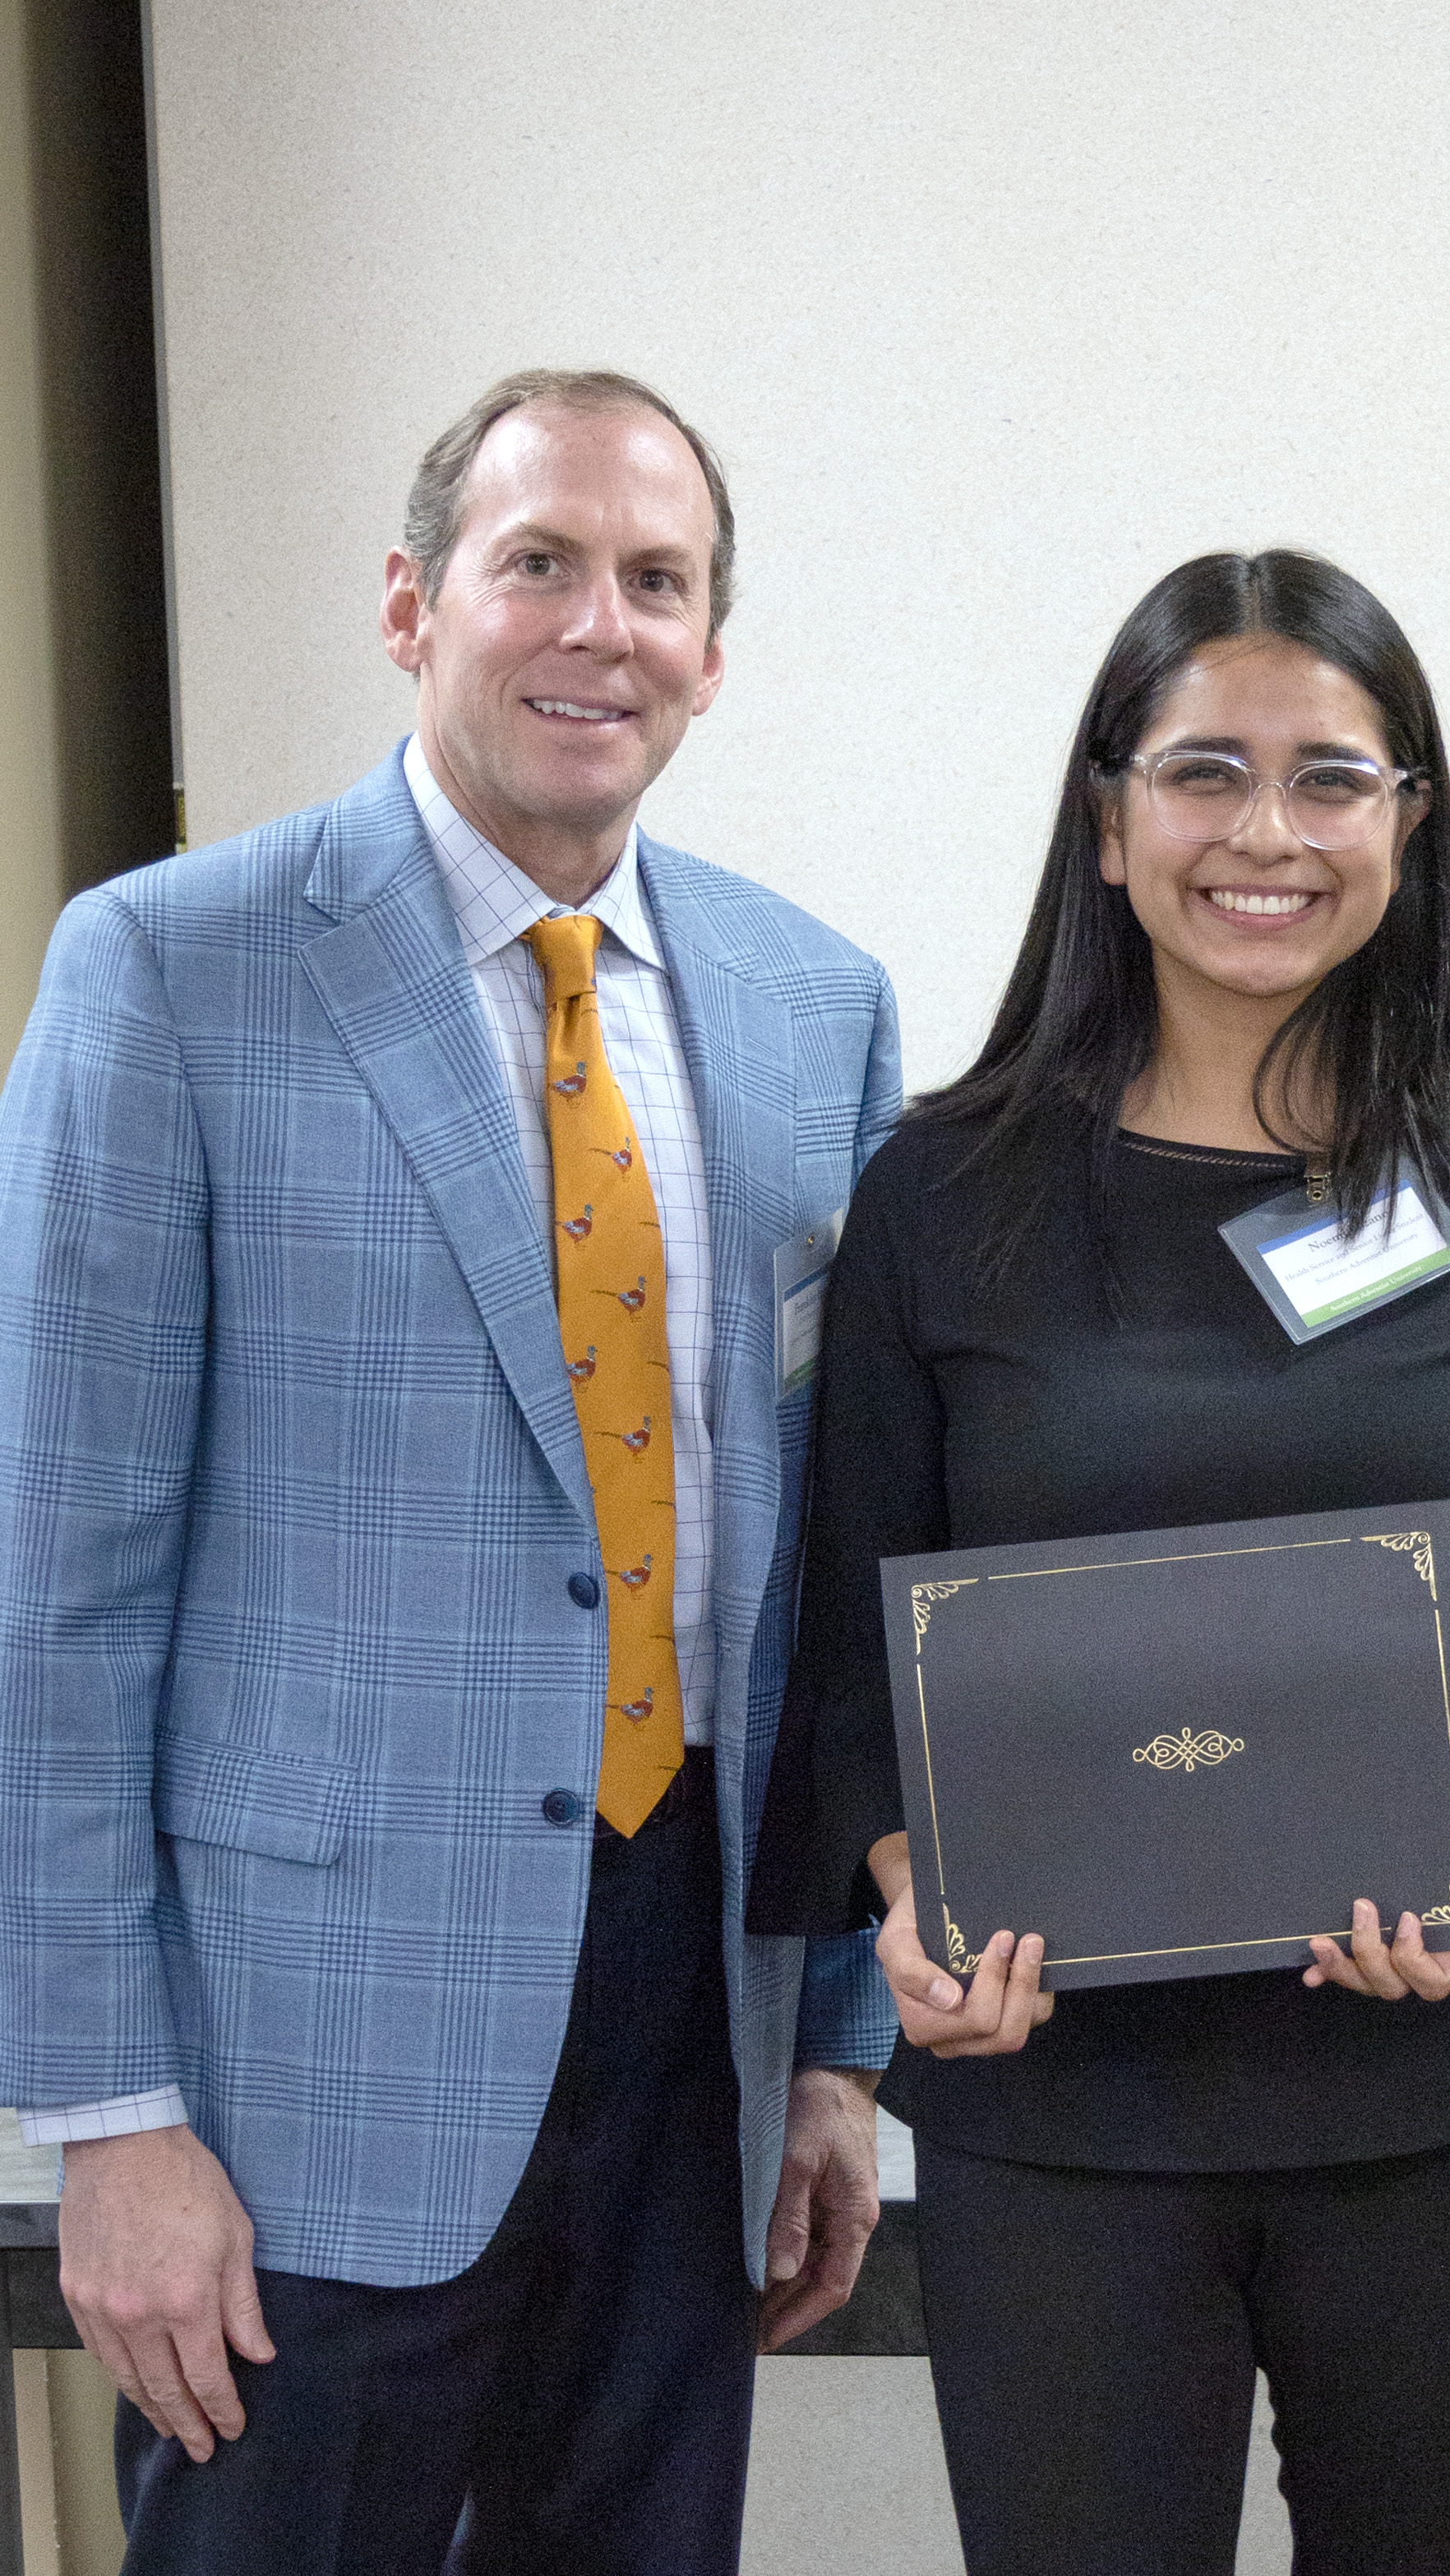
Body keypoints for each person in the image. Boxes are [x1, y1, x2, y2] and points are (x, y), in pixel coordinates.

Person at [750, 547, 1450, 2576]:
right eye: (1206, 771)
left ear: (1412, 819)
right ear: (1108, 820)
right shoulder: (941, 1199)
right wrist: (906, 1890)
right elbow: (850, 1661)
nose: (1266, 834)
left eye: (1331, 777)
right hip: (1057, 2118)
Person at [0, 368, 903, 2574]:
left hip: (693, 2018)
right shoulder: (171, 970)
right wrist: (105, 2117)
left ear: (713, 650)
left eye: (657, 581)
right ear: (413, 605)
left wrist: (838, 2046)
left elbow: (840, 1561)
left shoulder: (816, 1003)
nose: (601, 625)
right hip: (301, 2074)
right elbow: (50, 1580)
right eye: (539, 563)